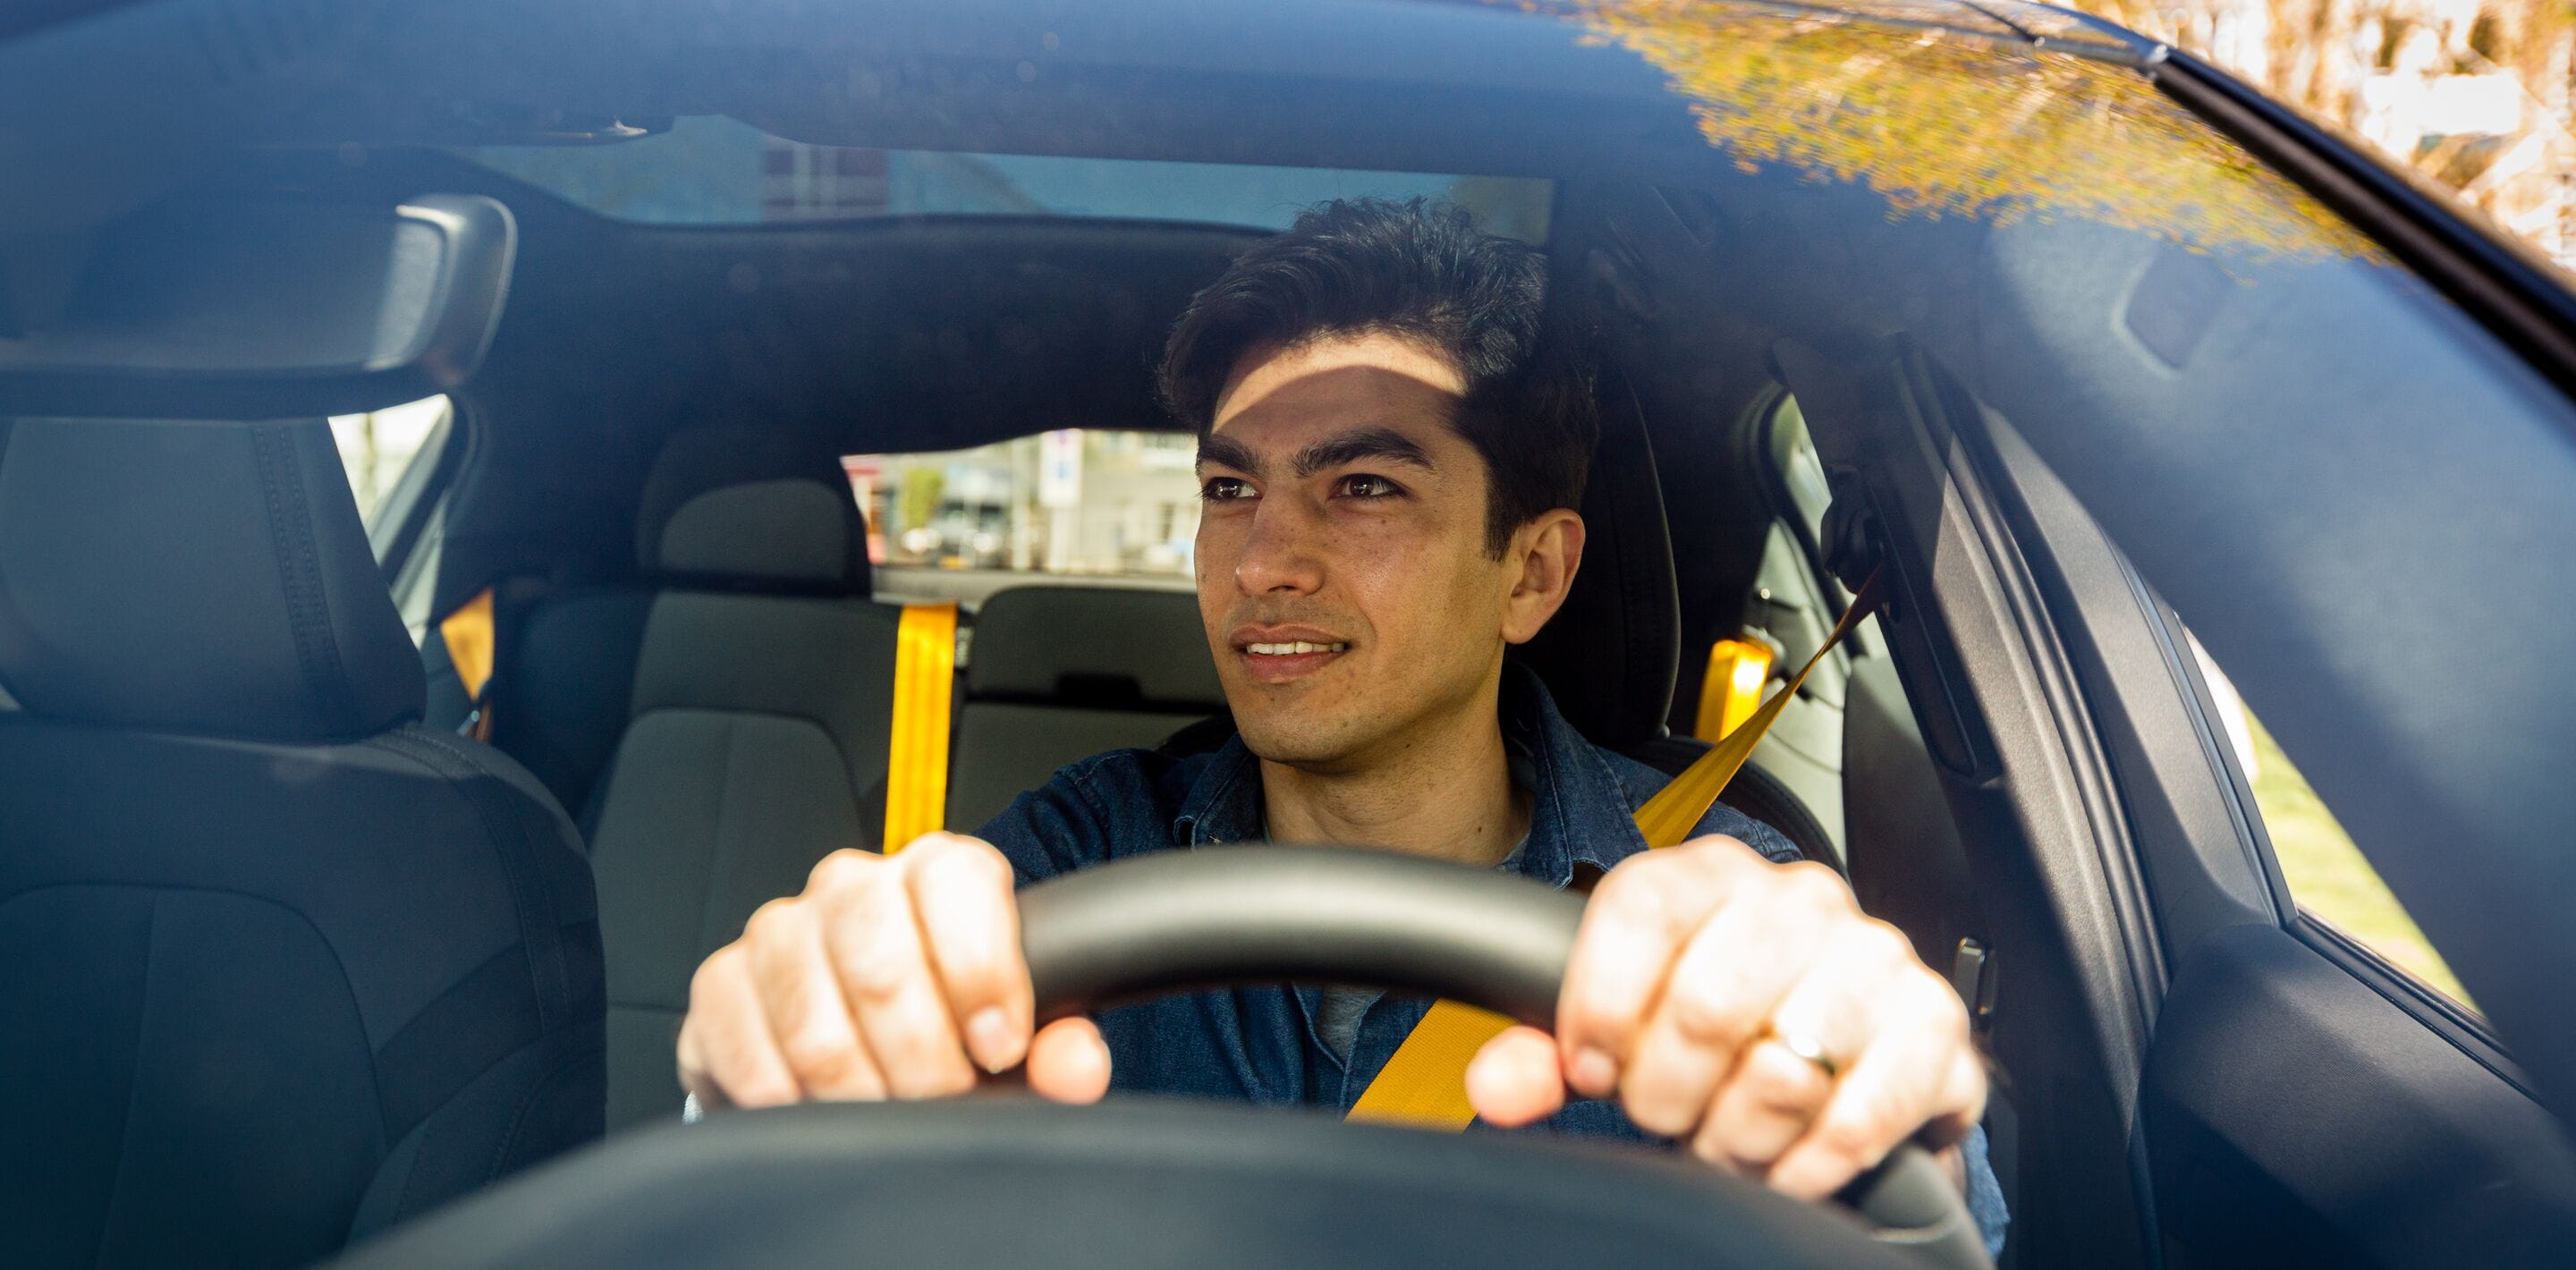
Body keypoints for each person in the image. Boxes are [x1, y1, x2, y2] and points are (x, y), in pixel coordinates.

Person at [677, 198, 2006, 1251]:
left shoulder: (1727, 927)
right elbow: (868, 1036)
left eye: (1362, 486)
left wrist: (1899, 1148)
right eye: (1228, 487)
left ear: (1532, 572)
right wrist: (789, 1052)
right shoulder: (1083, 850)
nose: (1262, 563)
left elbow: (1915, 1211)